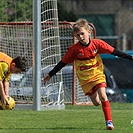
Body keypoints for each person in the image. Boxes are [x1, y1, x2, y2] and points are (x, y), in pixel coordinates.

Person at [43, 18, 133, 130]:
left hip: (97, 74)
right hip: (85, 79)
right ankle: (102, 105)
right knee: (96, 102)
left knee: (103, 95)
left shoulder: (98, 44)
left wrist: (130, 57)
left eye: (82, 33)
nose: (80, 37)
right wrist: (51, 74)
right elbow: (63, 63)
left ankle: (109, 122)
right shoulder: (74, 50)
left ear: (89, 32)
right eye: (77, 35)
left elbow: (114, 51)